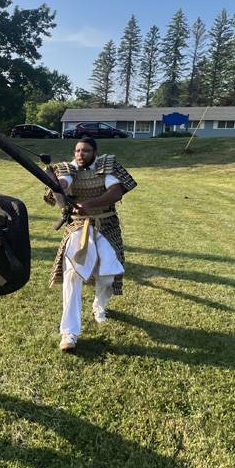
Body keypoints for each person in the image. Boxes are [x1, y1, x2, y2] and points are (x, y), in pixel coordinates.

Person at [44, 137, 136, 352]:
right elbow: (63, 186)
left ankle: (99, 305)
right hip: (78, 227)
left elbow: (115, 192)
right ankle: (69, 333)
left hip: (106, 225)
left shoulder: (107, 166)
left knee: (108, 275)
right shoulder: (67, 169)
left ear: (95, 151)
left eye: (85, 151)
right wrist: (56, 185)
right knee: (72, 275)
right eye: (77, 150)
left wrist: (89, 204)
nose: (80, 154)